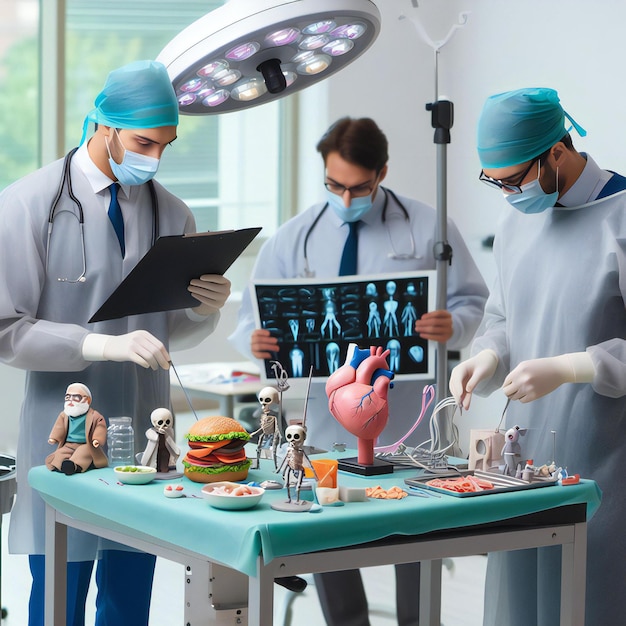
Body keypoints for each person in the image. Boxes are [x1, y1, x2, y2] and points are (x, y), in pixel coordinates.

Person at [230, 117, 488, 625]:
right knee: (330, 531)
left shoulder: (429, 227)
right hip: (326, 420)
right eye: (333, 186)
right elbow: (250, 322)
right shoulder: (292, 238)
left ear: (382, 173)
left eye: (358, 188)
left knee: (416, 530)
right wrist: (254, 341)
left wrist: (451, 323)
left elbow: (473, 300)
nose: (345, 199)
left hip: (404, 417)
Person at [0, 60, 231, 626]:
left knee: (129, 601)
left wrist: (204, 306)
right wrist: (99, 346)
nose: (153, 158)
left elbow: (171, 326)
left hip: (144, 430)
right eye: (143, 142)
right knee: (59, 595)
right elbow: (6, 329)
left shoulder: (171, 211)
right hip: (66, 429)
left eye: (166, 145)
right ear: (103, 126)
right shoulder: (28, 204)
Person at [449, 87, 626, 626]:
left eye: (513, 179)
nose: (507, 193)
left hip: (605, 462)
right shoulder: (516, 222)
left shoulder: (620, 218)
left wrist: (573, 367)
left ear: (556, 151)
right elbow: (504, 319)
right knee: (521, 606)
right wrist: (486, 356)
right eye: (494, 181)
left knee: (593, 599)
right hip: (521, 467)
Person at [46, 383, 108, 475]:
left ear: (87, 400)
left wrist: (96, 439)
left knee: (83, 454)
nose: (71, 401)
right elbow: (59, 427)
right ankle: (60, 465)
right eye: (68, 397)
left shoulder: (94, 416)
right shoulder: (65, 415)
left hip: (85, 444)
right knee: (60, 453)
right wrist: (54, 438)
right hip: (68, 444)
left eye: (76, 397)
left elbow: (100, 426)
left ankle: (74, 466)